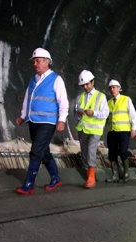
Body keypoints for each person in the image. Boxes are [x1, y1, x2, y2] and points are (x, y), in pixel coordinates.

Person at [15, 48, 69, 195]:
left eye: (37, 60)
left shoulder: (56, 79)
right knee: (43, 151)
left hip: (48, 122)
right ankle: (55, 178)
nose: (35, 64)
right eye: (34, 61)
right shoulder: (33, 80)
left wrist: (61, 120)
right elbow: (27, 100)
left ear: (47, 62)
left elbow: (63, 102)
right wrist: (23, 116)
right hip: (33, 121)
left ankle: (28, 184)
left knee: (36, 151)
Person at [74, 70, 109, 188]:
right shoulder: (80, 97)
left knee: (90, 150)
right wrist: (78, 114)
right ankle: (89, 173)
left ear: (93, 82)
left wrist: (93, 113)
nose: (85, 87)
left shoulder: (101, 96)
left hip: (95, 130)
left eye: (87, 84)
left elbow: (105, 114)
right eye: (83, 85)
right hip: (83, 129)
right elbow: (76, 113)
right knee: (84, 152)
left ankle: (91, 178)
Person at [105, 80, 136, 183]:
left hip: (124, 131)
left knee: (123, 151)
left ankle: (126, 174)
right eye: (110, 88)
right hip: (112, 131)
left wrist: (134, 128)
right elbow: (106, 118)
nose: (112, 89)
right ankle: (114, 175)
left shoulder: (126, 99)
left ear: (119, 88)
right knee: (112, 153)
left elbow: (133, 115)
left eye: (114, 87)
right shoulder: (109, 102)